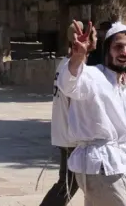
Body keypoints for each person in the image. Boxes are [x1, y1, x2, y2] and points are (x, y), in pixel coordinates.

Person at [56, 21, 126, 205]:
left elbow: (119, 124)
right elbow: (68, 84)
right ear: (107, 48)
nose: (124, 52)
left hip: (112, 166)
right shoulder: (92, 75)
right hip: (100, 166)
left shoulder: (118, 84)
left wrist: (125, 176)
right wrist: (78, 57)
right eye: (118, 46)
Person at [39, 21, 96, 206]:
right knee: (67, 184)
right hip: (72, 136)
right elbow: (76, 103)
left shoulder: (65, 64)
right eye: (94, 35)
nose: (96, 38)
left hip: (66, 134)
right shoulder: (76, 68)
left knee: (69, 183)